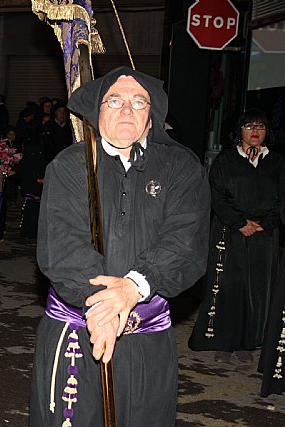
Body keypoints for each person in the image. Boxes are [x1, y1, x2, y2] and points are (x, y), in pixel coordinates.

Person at [29, 66, 210, 426]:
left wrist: (132, 287)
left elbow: (184, 238)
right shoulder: (70, 166)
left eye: (138, 101)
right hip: (79, 334)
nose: (127, 109)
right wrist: (102, 309)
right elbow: (63, 246)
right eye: (115, 100)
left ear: (152, 114)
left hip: (146, 341)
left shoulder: (181, 168)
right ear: (98, 110)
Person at [189, 109, 285, 364]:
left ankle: (247, 343)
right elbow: (216, 194)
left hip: (264, 236)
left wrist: (266, 223)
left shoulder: (276, 162)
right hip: (230, 232)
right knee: (230, 288)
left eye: (260, 126)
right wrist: (240, 222)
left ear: (267, 132)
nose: (255, 131)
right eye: (249, 126)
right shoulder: (226, 160)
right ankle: (224, 342)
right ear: (239, 131)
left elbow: (281, 197)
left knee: (258, 290)